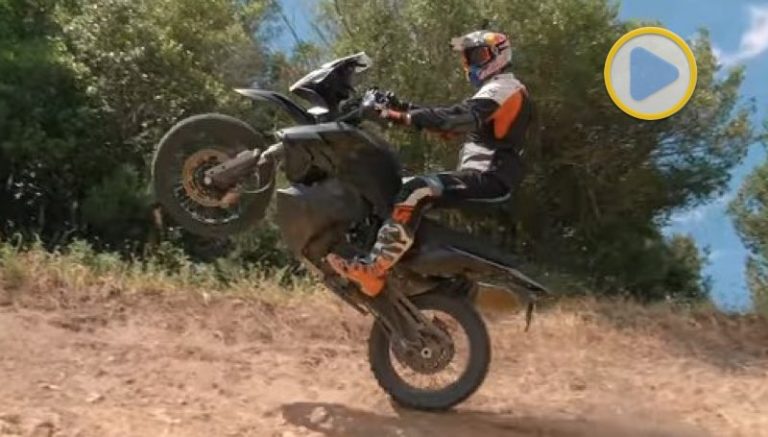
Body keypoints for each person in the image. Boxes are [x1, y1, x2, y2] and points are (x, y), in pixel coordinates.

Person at [326, 29, 533, 297]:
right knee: (398, 187)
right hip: (485, 176)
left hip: (491, 178)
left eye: (478, 55)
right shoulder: (497, 90)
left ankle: (375, 269)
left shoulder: (504, 88)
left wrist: (396, 115)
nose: (471, 63)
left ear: (500, 54)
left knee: (417, 189)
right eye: (468, 57)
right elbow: (446, 122)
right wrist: (403, 107)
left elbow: (454, 120)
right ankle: (398, 262)